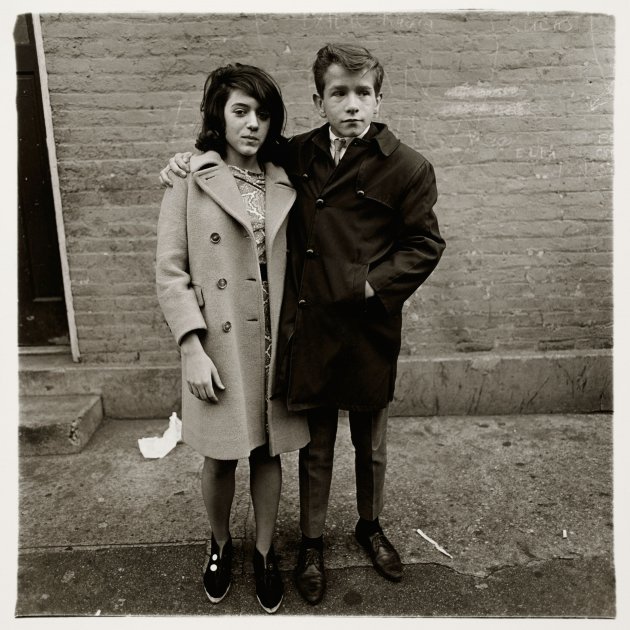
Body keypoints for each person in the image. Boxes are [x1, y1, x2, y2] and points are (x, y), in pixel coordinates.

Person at [159, 43, 445, 606]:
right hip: (295, 330)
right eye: (339, 93)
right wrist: (184, 160)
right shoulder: (296, 155)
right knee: (309, 446)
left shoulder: (404, 166)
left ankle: (365, 527)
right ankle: (300, 543)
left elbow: (425, 243)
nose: (353, 106)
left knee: (368, 443)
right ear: (319, 100)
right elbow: (186, 241)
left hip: (362, 326)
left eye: (364, 93)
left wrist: (371, 284)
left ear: (379, 99)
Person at [155, 63, 309, 614]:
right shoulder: (189, 178)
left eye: (263, 114)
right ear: (218, 114)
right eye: (240, 111)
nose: (252, 124)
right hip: (218, 345)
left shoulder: (285, 177)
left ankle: (264, 553)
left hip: (274, 344)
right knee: (221, 457)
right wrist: (191, 348)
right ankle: (220, 544)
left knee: (269, 455)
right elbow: (170, 271)